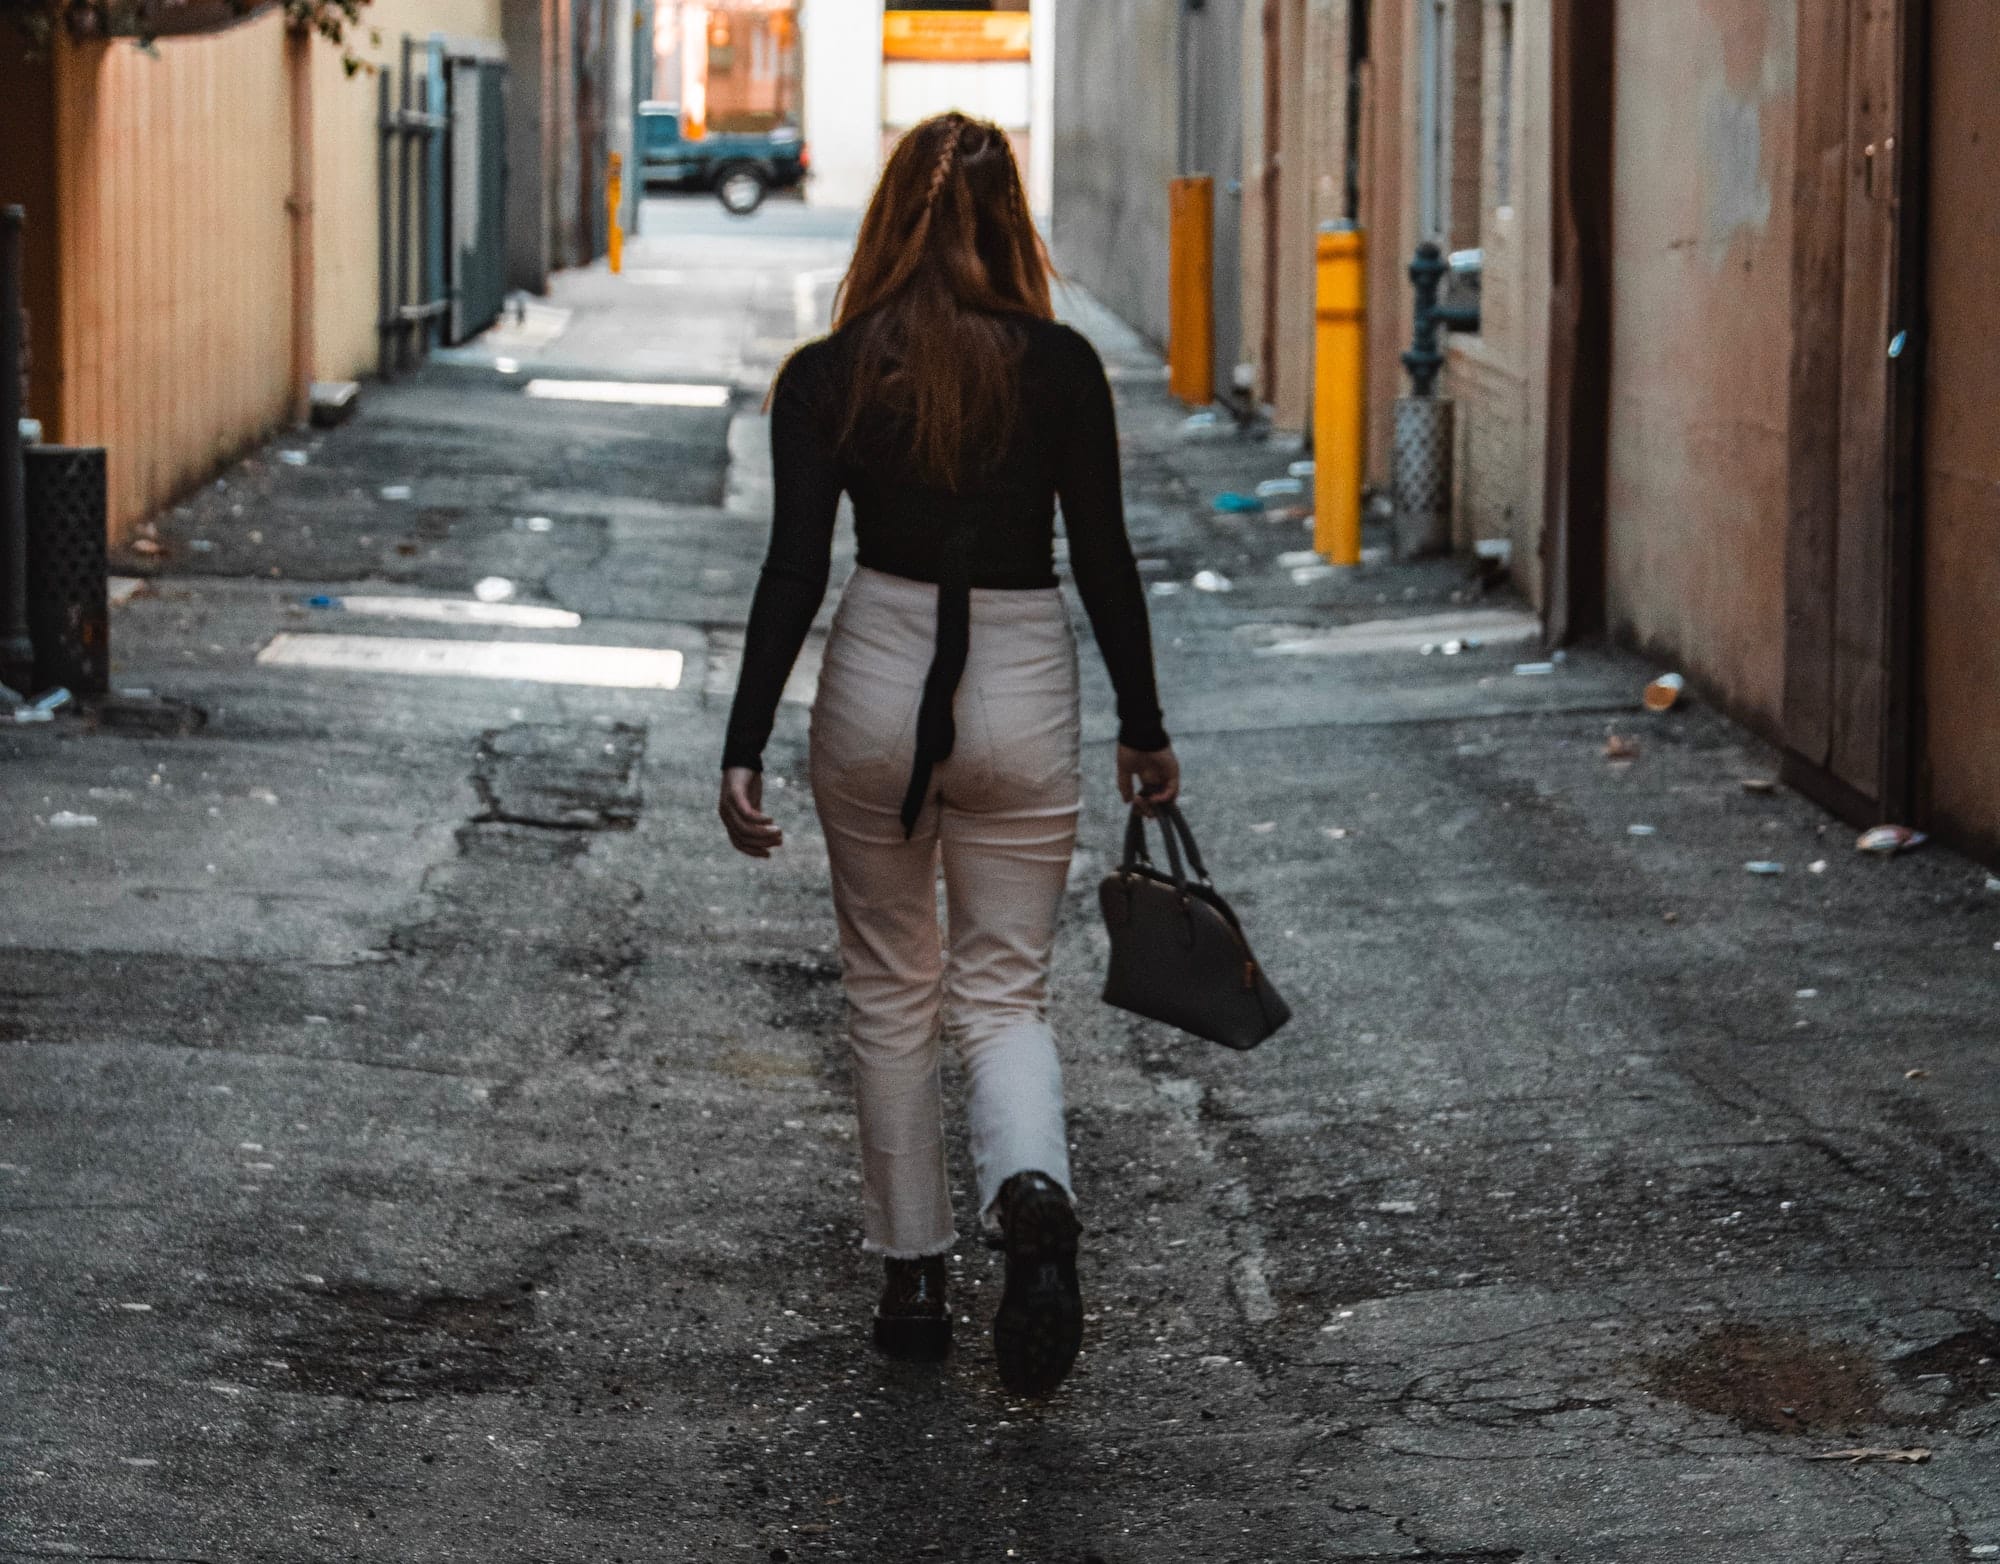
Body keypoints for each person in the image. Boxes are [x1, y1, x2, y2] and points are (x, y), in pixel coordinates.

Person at [717, 111, 1178, 1398]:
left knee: (887, 986)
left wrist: (742, 741)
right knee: (1001, 990)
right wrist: (1144, 726)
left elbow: (795, 565)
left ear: (882, 221)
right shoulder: (1062, 368)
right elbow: (1101, 558)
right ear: (1007, 221)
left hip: (874, 670)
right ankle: (1029, 1188)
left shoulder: (830, 374)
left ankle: (914, 1278)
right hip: (1023, 678)